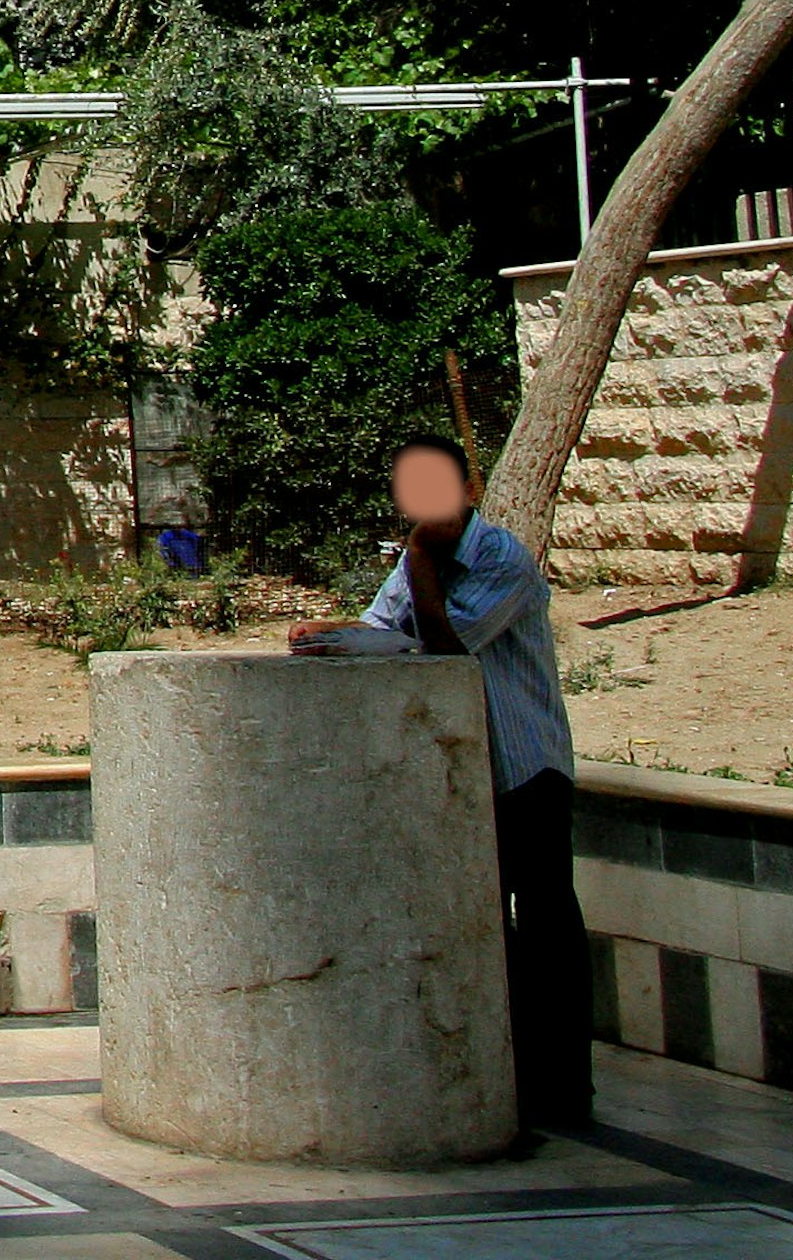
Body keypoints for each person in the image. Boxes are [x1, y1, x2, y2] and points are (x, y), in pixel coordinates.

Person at [292, 432, 589, 1132]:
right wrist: (330, 633)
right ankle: (509, 1076)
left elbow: (447, 650)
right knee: (488, 925)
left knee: (546, 922)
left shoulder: (500, 559)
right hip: (466, 776)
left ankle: (566, 1086)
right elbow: (383, 629)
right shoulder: (415, 560)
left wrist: (422, 557)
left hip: (526, 767)